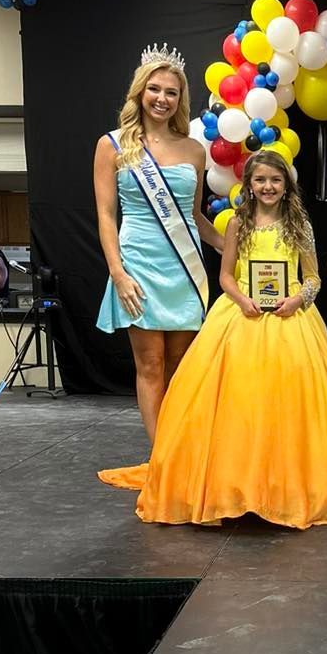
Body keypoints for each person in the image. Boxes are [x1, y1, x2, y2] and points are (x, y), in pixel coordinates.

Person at [99, 152, 327, 530]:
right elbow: (227, 277)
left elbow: (313, 277)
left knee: (286, 402)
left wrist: (298, 299)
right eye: (260, 180)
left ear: (286, 185)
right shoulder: (237, 223)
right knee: (240, 402)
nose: (268, 187)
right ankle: (235, 483)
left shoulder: (299, 224)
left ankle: (281, 484)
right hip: (242, 314)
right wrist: (241, 299)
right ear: (248, 185)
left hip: (289, 318)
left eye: (275, 181)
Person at [94, 43, 222, 443]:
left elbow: (195, 215)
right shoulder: (112, 145)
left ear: (181, 99)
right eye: (155, 89)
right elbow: (106, 216)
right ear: (139, 92)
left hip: (183, 266)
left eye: (171, 92)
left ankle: (180, 449)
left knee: (181, 365)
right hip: (138, 264)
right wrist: (117, 273)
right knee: (150, 365)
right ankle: (161, 458)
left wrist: (232, 247)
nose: (162, 98)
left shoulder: (194, 150)